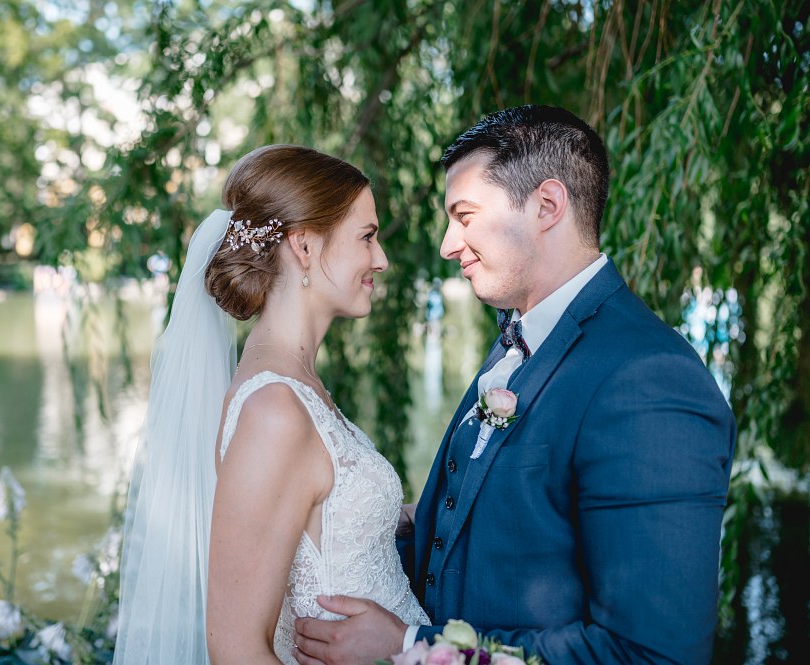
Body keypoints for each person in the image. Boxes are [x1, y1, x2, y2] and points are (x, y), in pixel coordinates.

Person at [293, 105, 736, 665]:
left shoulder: (646, 379)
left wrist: (409, 645)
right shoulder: (518, 341)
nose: (447, 245)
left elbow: (651, 653)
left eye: (465, 215)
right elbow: (486, 526)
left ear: (547, 206)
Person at [115, 145, 430, 665]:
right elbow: (236, 650)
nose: (381, 259)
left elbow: (325, 527)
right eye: (367, 237)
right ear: (304, 246)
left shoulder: (297, 386)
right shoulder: (274, 411)